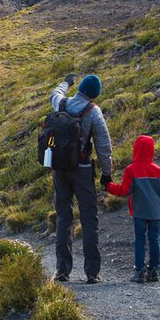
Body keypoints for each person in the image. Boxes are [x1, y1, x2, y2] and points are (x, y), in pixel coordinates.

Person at [49, 73, 113, 284]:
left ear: (80, 89)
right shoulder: (93, 112)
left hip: (59, 169)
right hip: (83, 169)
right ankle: (92, 273)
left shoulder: (62, 103)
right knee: (88, 219)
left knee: (63, 217)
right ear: (94, 95)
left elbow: (55, 94)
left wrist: (66, 82)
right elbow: (103, 146)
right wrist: (107, 173)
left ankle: (62, 271)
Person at [104, 135, 160, 282]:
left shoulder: (131, 170)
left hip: (139, 211)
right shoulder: (159, 171)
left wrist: (108, 186)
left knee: (139, 240)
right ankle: (153, 271)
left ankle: (139, 271)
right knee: (154, 239)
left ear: (136, 149)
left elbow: (124, 191)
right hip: (155, 211)